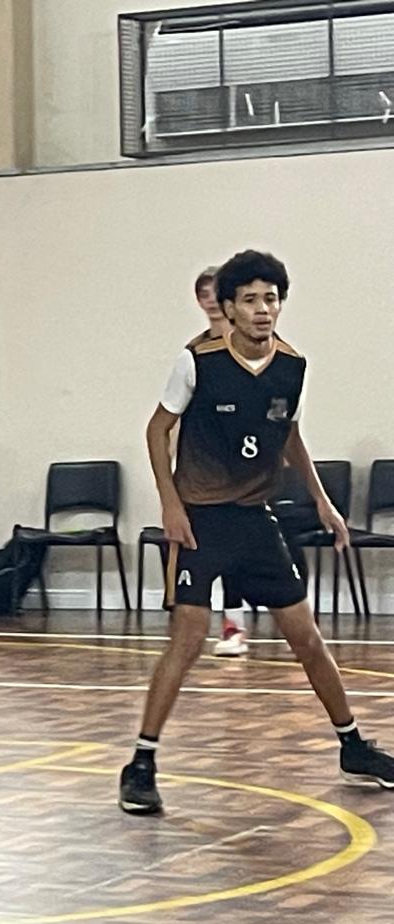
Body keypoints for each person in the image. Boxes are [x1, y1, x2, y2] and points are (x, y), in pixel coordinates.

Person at [121, 250, 394, 816]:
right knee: (189, 638)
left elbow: (288, 433)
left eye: (270, 299)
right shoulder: (197, 362)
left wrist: (321, 500)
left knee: (307, 636)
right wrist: (170, 504)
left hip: (254, 518)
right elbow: (156, 431)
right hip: (200, 519)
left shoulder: (292, 367)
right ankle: (141, 763)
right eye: (250, 300)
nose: (263, 309)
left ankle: (352, 746)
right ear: (228, 308)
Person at [188, 266, 251, 656]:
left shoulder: (248, 347)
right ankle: (210, 625)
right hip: (204, 469)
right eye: (204, 293)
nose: (210, 299)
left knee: (243, 547)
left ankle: (235, 624)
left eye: (216, 292)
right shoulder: (194, 354)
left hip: (245, 467)